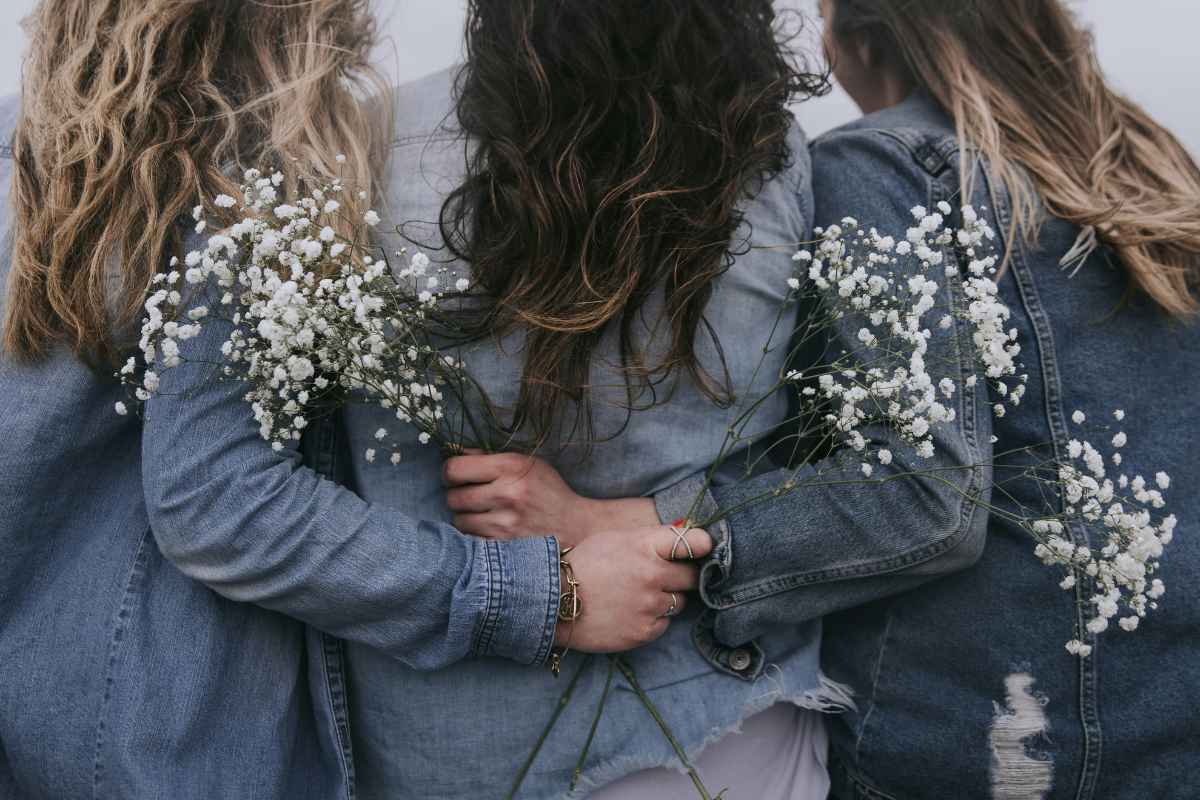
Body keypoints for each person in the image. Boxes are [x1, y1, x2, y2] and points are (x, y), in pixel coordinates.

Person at [450, 1, 1200, 797]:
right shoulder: (1155, 172)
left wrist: (631, 523)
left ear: (866, 37)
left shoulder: (885, 166)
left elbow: (922, 492)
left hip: (971, 739)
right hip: (1165, 725)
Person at [139, 1, 873, 796]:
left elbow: (212, 493)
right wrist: (575, 577)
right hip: (726, 726)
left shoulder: (347, 149)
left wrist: (549, 578)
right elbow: (855, 464)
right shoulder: (778, 158)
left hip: (462, 754)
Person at [0, 1, 390, 796]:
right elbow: (216, 502)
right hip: (159, 749)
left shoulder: (20, 149)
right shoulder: (230, 186)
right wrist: (528, 594)